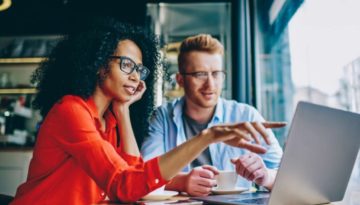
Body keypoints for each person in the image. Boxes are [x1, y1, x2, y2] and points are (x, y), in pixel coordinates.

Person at [9, 20, 285, 205]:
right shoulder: (71, 111)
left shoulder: (109, 120)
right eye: (126, 65)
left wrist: (123, 109)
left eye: (139, 69)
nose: (135, 76)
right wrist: (207, 137)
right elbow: (125, 185)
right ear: (98, 64)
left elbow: (132, 174)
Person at [141, 34, 284, 196]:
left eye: (216, 73)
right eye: (200, 74)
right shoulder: (163, 116)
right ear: (180, 80)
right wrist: (182, 182)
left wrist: (266, 176)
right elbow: (143, 175)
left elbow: (286, 174)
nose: (210, 84)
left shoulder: (246, 115)